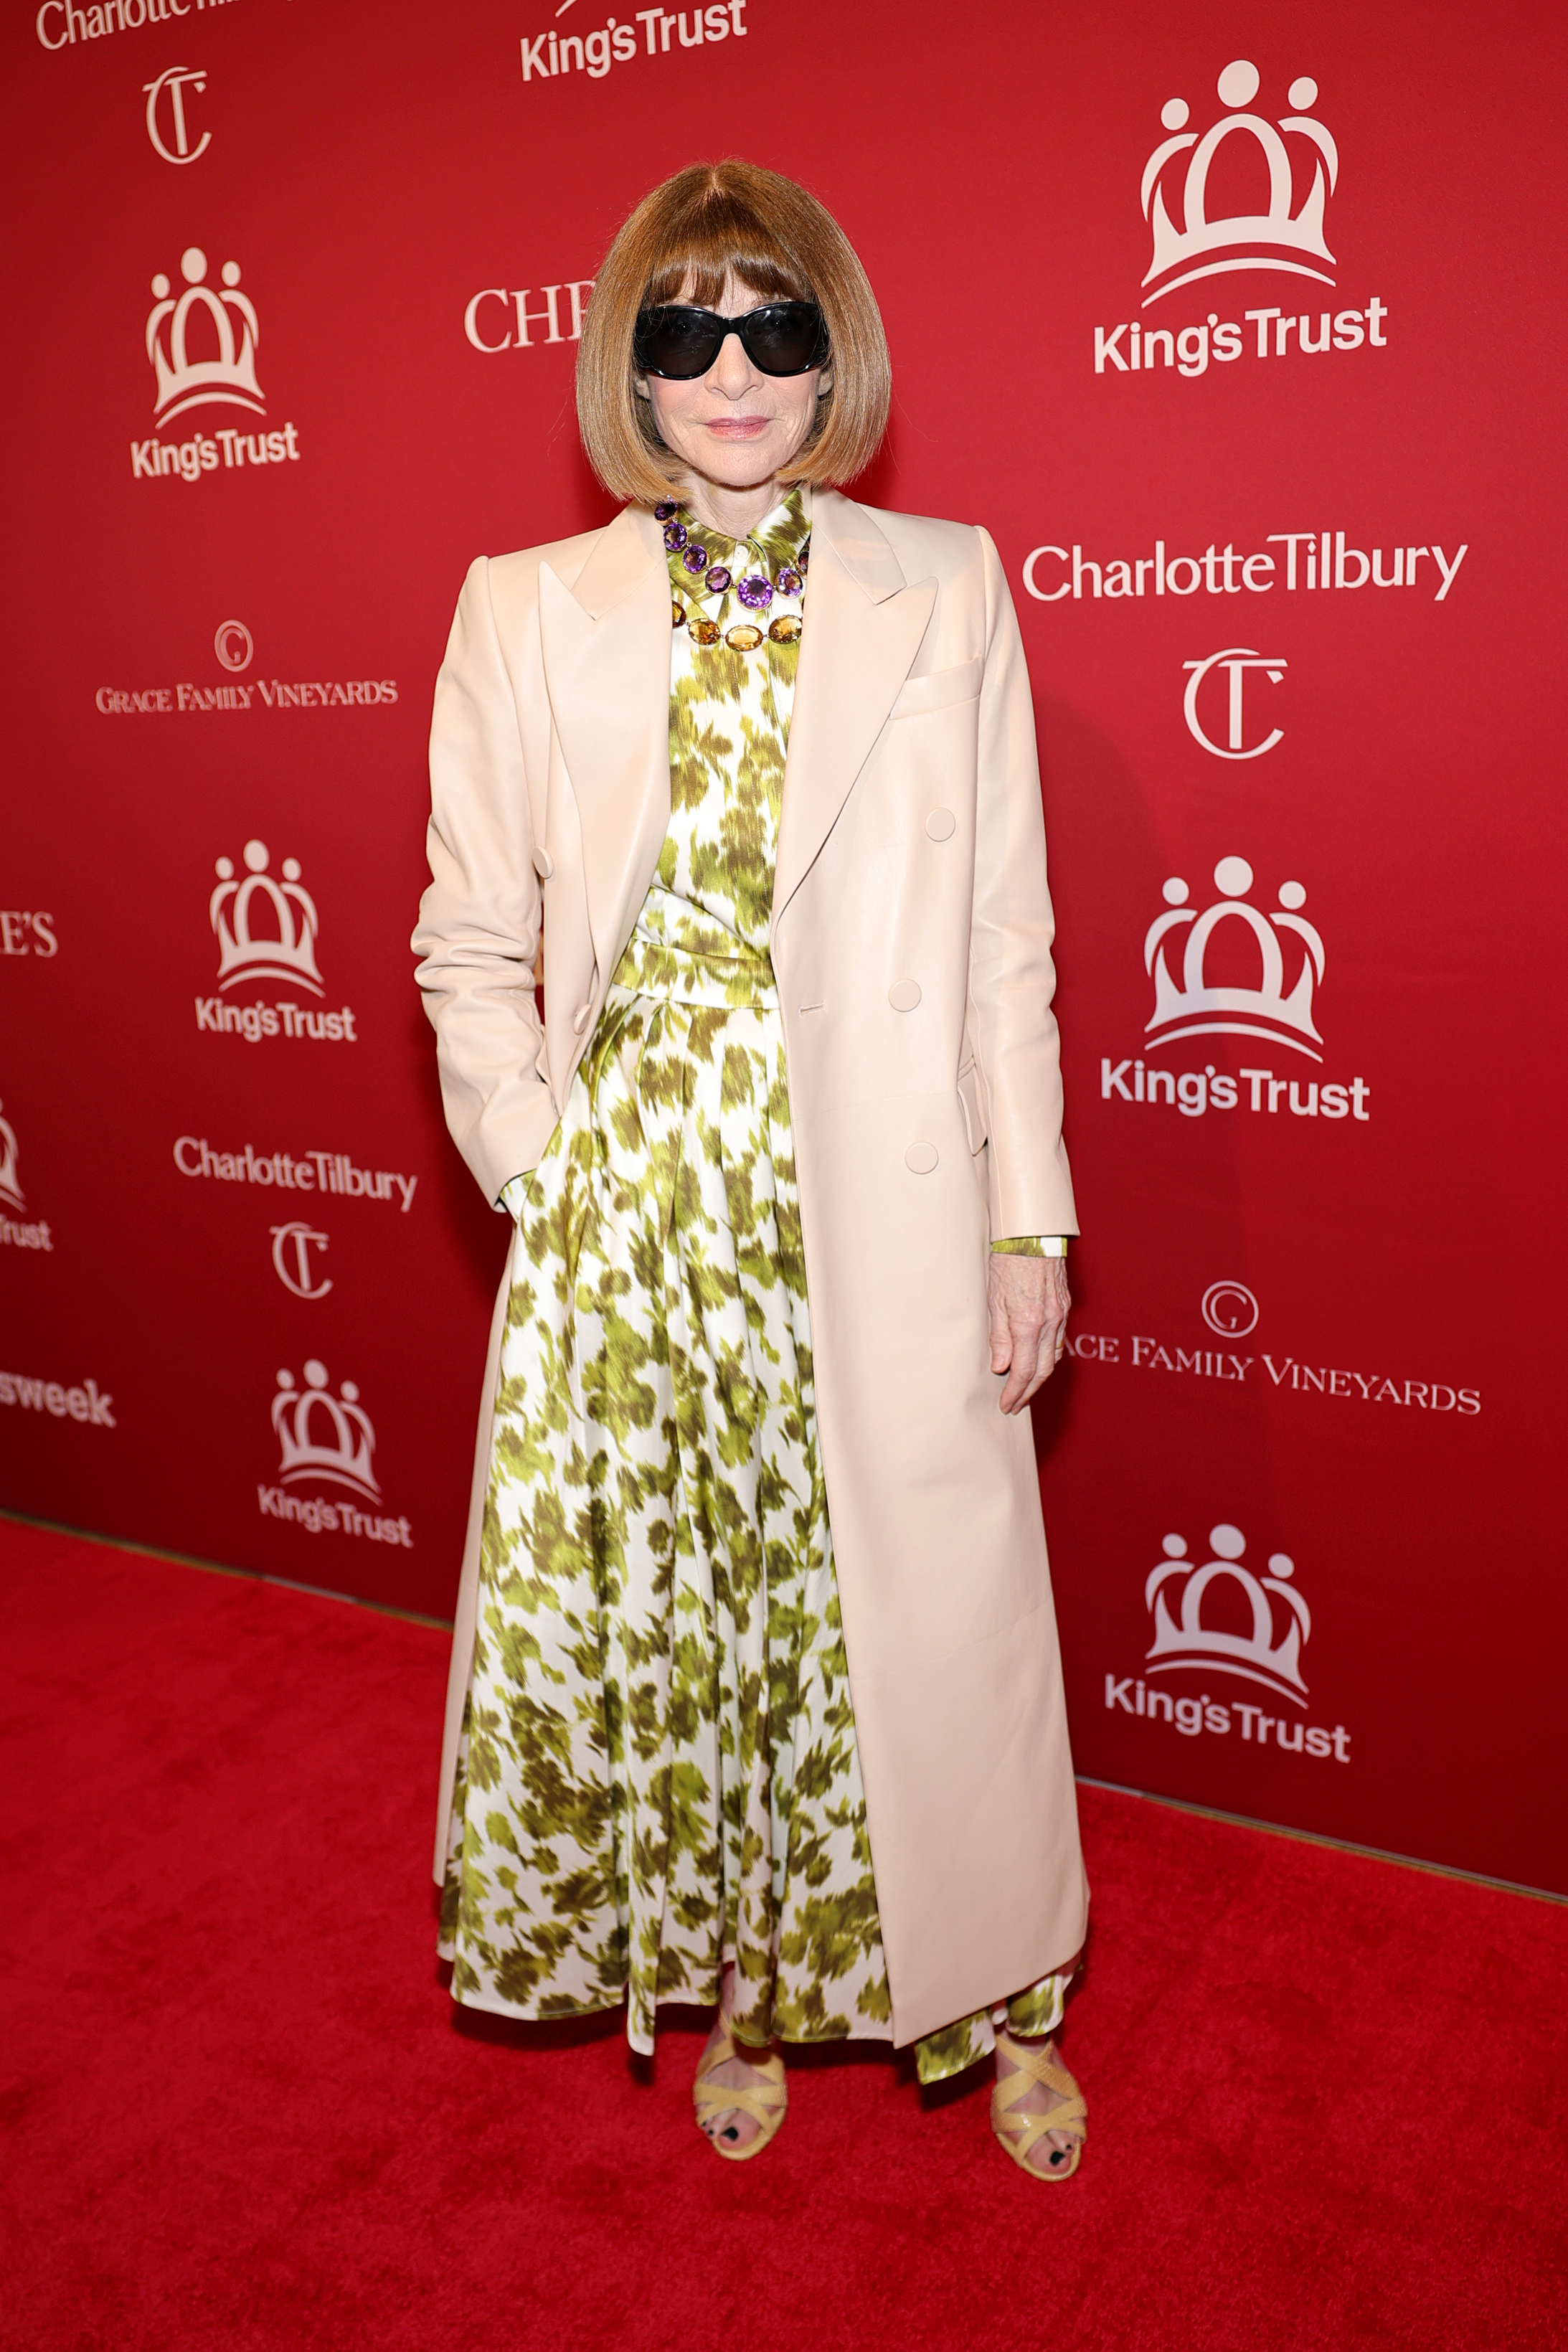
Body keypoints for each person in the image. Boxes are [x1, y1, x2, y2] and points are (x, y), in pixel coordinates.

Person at [413, 160, 1089, 2177]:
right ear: (627, 359)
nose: (728, 370)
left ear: (832, 360)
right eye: (681, 330)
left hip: (884, 1177)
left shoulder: (944, 583)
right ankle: (751, 1991)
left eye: (773, 327)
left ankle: (998, 1985)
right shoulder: (526, 610)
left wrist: (1023, 1204)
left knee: (942, 1613)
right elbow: (469, 938)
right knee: (703, 1617)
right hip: (639, 1206)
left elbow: (1003, 939)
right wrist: (542, 1164)